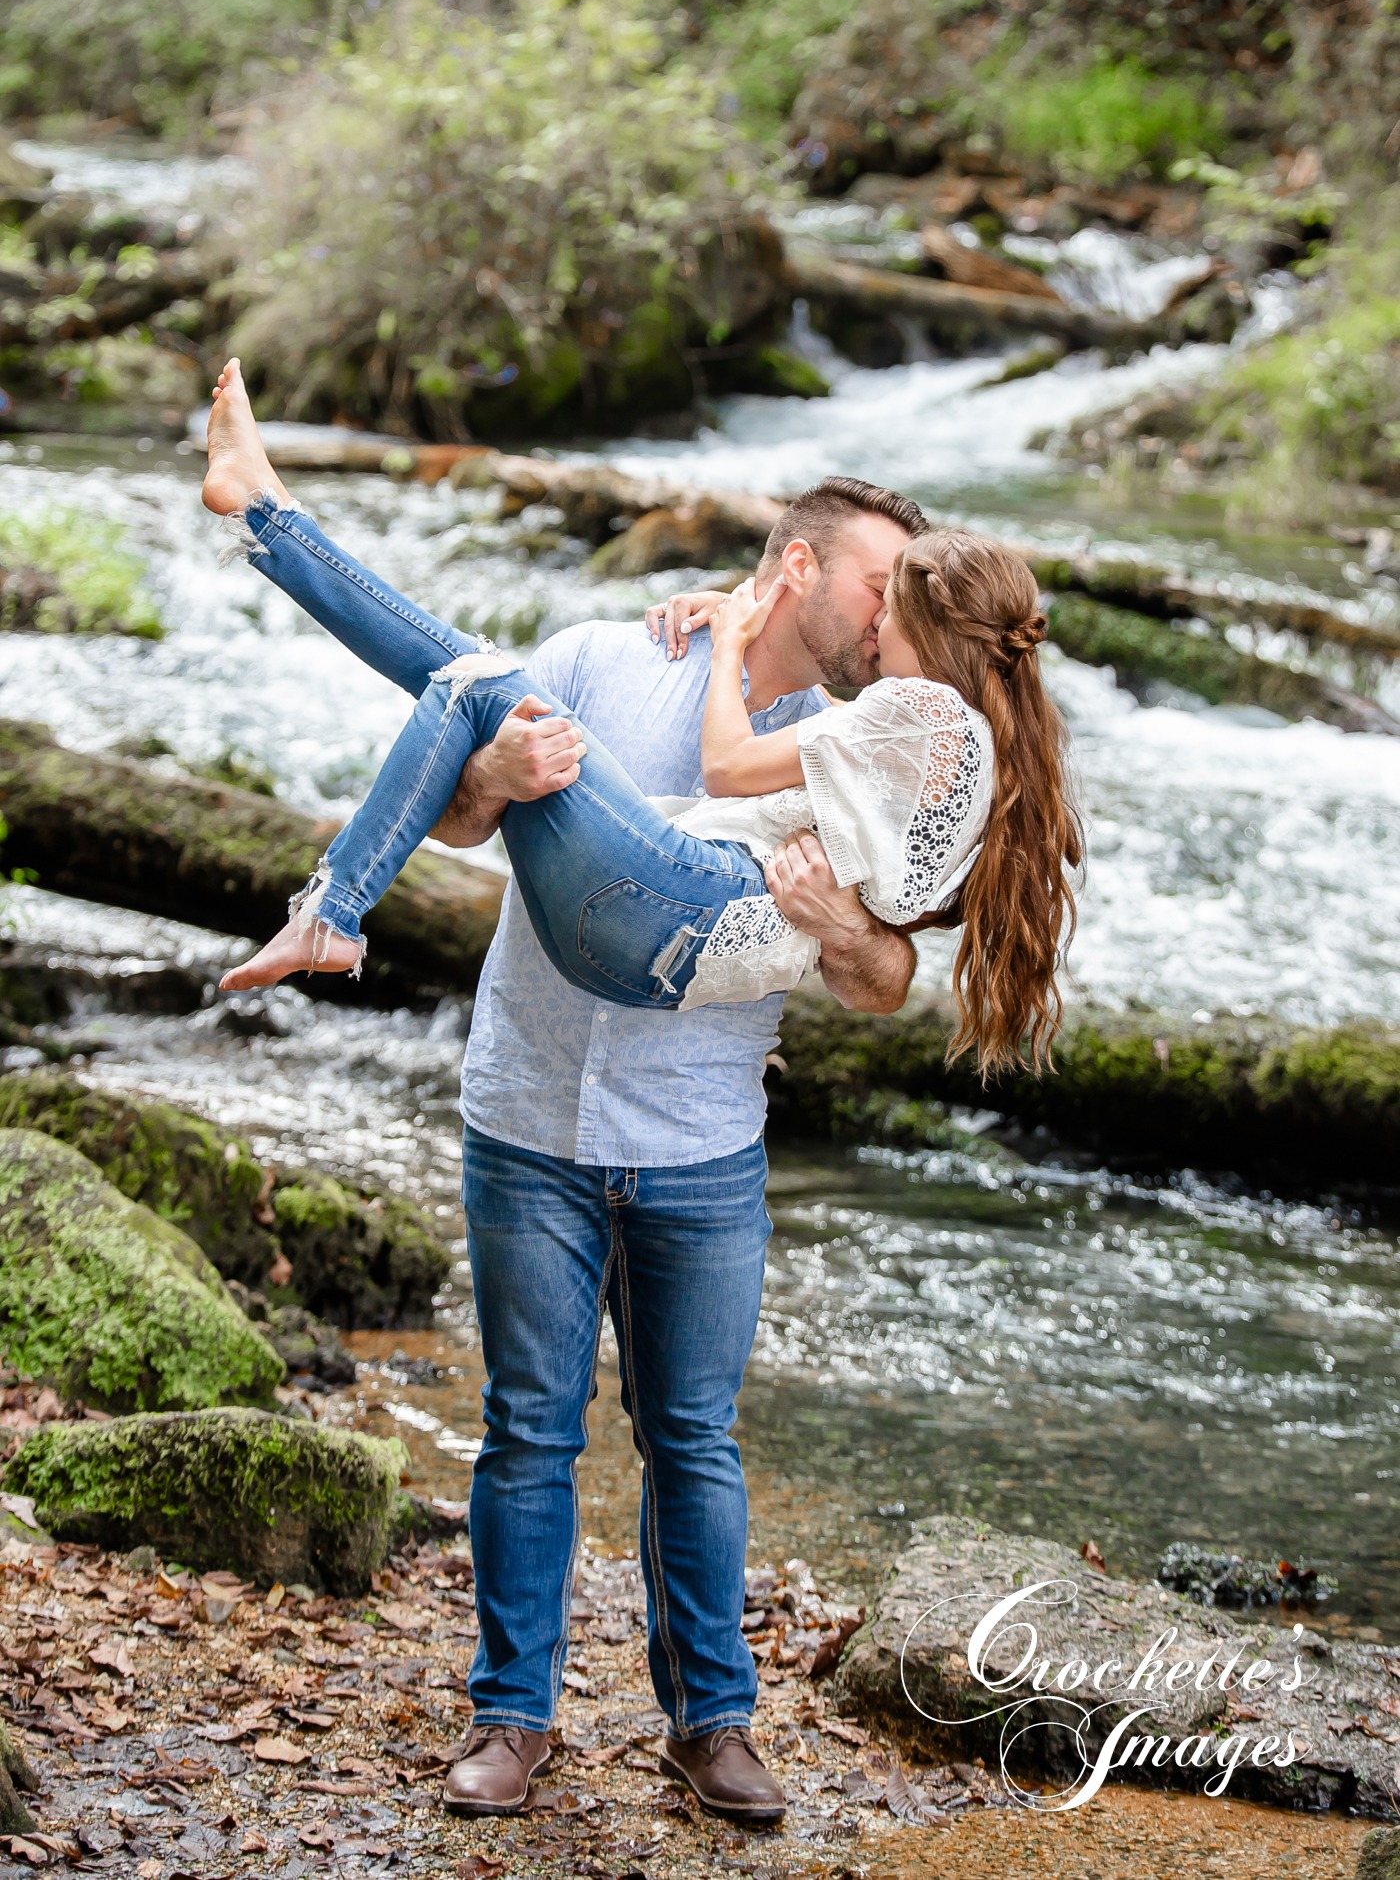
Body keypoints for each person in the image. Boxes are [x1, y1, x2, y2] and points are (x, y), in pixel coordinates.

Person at [199, 358, 1078, 1821]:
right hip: (531, 1107)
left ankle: (712, 1723)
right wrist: (507, 767)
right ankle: (511, 1719)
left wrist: (844, 924)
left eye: (900, 603)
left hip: (700, 1137)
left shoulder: (874, 738)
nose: (879, 619)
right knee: (529, 1428)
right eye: (871, 588)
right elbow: (468, 811)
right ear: (797, 566)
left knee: (693, 1443)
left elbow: (881, 975)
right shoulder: (618, 649)